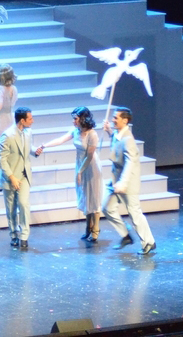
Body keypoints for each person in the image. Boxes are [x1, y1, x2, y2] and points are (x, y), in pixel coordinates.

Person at [36, 107, 103, 243]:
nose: (73, 121)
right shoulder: (75, 131)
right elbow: (61, 139)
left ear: (83, 119)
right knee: (84, 195)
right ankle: (88, 227)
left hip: (90, 166)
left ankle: (95, 229)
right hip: (80, 163)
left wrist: (80, 171)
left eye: (75, 119)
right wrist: (44, 146)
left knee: (93, 196)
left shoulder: (92, 134)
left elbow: (90, 156)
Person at [102, 107, 156, 255]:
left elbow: (130, 162)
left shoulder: (129, 140)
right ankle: (126, 235)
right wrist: (109, 131)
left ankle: (149, 242)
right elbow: (116, 141)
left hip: (127, 182)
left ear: (125, 120)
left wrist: (123, 183)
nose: (113, 120)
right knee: (107, 207)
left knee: (134, 213)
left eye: (116, 118)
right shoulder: (119, 134)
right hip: (116, 179)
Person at [0, 108, 40, 248]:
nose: (32, 121)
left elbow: (28, 148)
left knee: (23, 203)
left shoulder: (28, 132)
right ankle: (14, 234)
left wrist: (35, 151)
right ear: (22, 120)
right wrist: (11, 177)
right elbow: (2, 159)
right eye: (30, 118)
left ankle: (24, 235)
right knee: (11, 208)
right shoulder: (7, 135)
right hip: (10, 177)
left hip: (24, 175)